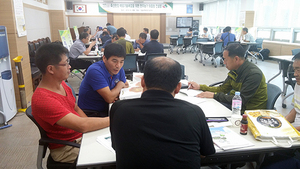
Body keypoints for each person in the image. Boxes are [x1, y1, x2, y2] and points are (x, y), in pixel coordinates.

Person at [110, 57, 215, 169]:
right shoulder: (194, 113)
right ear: (178, 88)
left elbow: (117, 147)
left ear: (142, 81)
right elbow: (205, 153)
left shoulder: (119, 109)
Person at [31, 43, 109, 164]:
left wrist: (90, 128)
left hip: (80, 137)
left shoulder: (62, 84)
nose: (70, 66)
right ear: (50, 69)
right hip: (66, 149)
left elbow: (76, 109)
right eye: (66, 63)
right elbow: (82, 125)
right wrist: (114, 119)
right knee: (114, 154)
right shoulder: (43, 99)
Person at [188, 43, 267, 113]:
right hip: (237, 107)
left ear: (236, 59)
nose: (224, 62)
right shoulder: (235, 70)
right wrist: (200, 87)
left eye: (225, 59)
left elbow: (241, 100)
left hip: (249, 112)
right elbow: (222, 89)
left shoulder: (253, 74)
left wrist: (214, 96)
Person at [78, 43, 129, 117]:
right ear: (104, 58)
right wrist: (120, 85)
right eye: (114, 61)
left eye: (121, 61)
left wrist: (114, 93)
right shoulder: (95, 70)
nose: (118, 65)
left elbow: (126, 85)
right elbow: (109, 98)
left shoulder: (118, 69)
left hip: (109, 107)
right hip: (92, 113)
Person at [286, 53, 300, 131]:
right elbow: (296, 109)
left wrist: (291, 131)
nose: (295, 74)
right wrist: (283, 123)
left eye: (299, 70)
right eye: (294, 70)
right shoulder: (298, 85)